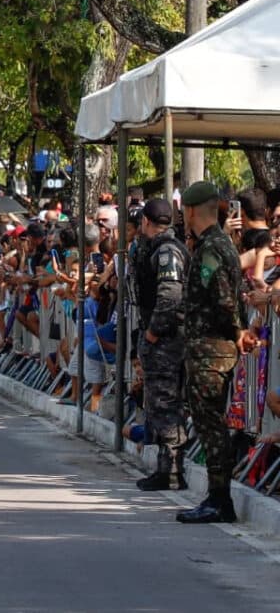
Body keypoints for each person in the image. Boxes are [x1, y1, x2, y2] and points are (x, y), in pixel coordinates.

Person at [176, 181, 253, 524]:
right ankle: (216, 497)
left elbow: (223, 298)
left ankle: (219, 499)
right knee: (211, 425)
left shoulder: (211, 248)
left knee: (211, 426)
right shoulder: (220, 243)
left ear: (190, 210)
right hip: (214, 347)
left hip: (211, 350)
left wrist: (237, 331)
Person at [132, 198, 189, 491]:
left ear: (145, 221)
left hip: (166, 341)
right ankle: (166, 469)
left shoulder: (167, 251)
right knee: (159, 403)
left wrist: (153, 332)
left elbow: (170, 296)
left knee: (165, 404)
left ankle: (172, 471)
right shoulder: (157, 248)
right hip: (160, 339)